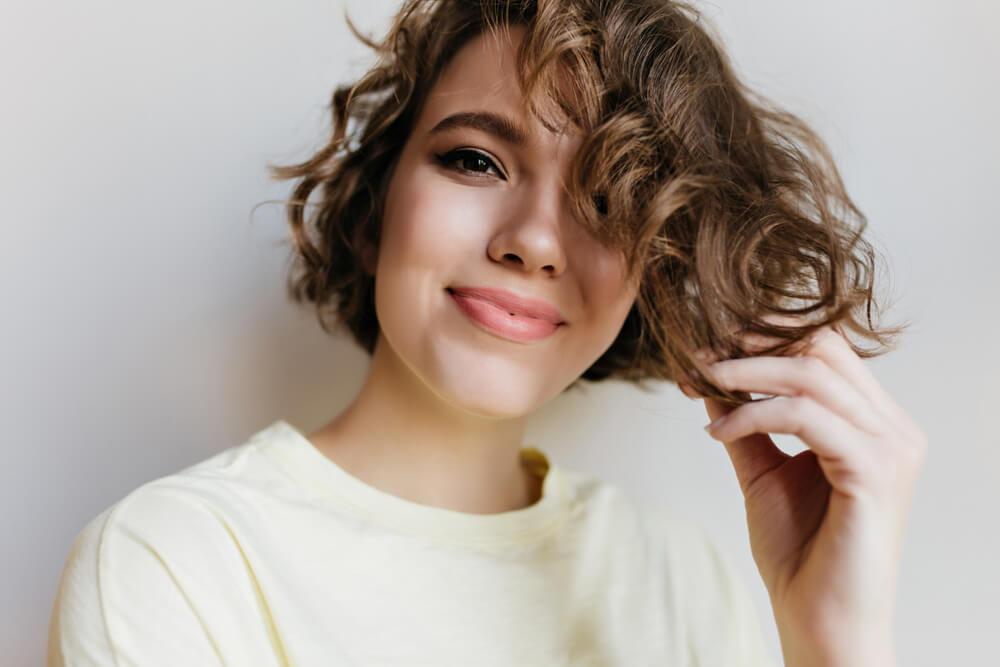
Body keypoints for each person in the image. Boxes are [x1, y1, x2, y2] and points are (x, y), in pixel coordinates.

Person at [47, 1, 927, 665]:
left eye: (607, 198)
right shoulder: (176, 563)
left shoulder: (680, 577)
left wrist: (835, 646)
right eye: (475, 159)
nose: (535, 240)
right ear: (378, 196)